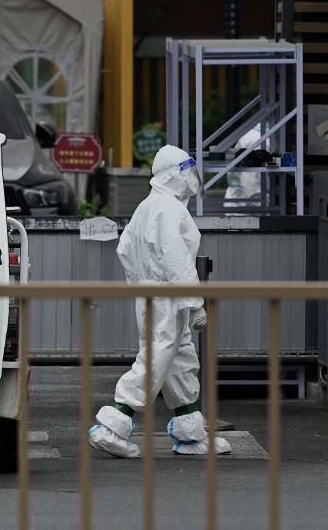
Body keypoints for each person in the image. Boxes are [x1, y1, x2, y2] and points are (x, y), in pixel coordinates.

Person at [89, 145, 231, 457]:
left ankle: (190, 433)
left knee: (180, 360)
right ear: (173, 176)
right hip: (167, 295)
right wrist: (194, 302)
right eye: (186, 171)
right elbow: (176, 259)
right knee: (156, 358)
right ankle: (113, 425)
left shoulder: (148, 206)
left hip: (154, 293)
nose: (191, 177)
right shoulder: (168, 209)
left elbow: (124, 249)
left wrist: (140, 284)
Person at [223, 127, 262, 212]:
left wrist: (234, 185)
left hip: (243, 188)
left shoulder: (246, 136)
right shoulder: (271, 135)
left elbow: (233, 163)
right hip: (257, 187)